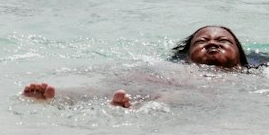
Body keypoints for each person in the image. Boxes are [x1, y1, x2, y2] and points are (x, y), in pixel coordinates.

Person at [21, 25, 249, 108]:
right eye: (201, 41)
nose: (211, 43)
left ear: (240, 57)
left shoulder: (253, 78)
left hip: (181, 101)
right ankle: (56, 98)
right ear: (187, 57)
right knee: (112, 87)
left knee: (171, 98)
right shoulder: (172, 70)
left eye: (223, 41)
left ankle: (133, 109)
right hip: (166, 92)